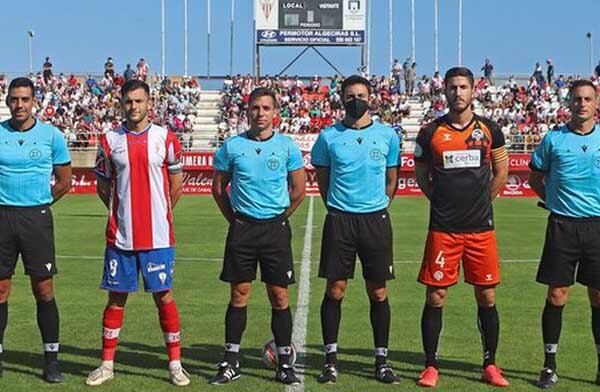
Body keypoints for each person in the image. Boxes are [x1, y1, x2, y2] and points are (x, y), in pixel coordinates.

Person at [86, 79, 189, 387]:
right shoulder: (109, 140)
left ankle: (175, 364)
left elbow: (176, 185)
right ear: (122, 104)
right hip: (121, 237)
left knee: (164, 296)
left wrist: (159, 212)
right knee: (116, 298)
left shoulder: (166, 138)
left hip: (158, 237)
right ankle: (107, 365)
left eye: (138, 101)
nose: (133, 107)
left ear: (149, 103)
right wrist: (121, 212)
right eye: (128, 101)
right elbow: (103, 187)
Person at [413, 67, 509, 388]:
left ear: (473, 90)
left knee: (487, 296)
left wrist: (483, 203)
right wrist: (441, 202)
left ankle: (490, 364)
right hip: (444, 228)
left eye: (463, 86)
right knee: (436, 296)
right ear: (444, 91)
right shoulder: (430, 133)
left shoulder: (490, 129)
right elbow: (421, 175)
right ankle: (430, 366)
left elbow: (500, 172)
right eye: (452, 87)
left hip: (481, 228)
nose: (458, 92)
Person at [211, 87, 306, 386]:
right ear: (247, 111)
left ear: (275, 112)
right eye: (255, 108)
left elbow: (298, 191)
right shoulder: (232, 146)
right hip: (243, 229)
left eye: (266, 108)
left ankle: (284, 362)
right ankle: (231, 360)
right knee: (239, 294)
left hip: (275, 230)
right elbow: (218, 189)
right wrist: (237, 220)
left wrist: (276, 219)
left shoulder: (288, 147)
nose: (260, 113)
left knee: (279, 296)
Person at [311, 75, 401, 384]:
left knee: (378, 291)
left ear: (371, 98)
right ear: (341, 99)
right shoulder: (327, 137)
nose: (355, 100)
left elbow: (391, 180)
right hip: (340, 220)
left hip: (375, 220)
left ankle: (381, 360)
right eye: (349, 96)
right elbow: (323, 180)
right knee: (335, 289)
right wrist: (340, 207)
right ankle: (330, 360)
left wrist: (376, 206)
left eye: (360, 95)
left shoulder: (388, 136)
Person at [528, 79, 600, 388]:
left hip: (598, 226)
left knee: (598, 297)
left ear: (596, 103)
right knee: (557, 295)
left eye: (587, 98)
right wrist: (555, 200)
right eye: (576, 99)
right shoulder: (553, 139)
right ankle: (549, 365)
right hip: (562, 226)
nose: (582, 103)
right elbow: (535, 177)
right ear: (568, 103)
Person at [0, 77, 72, 382]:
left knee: (43, 289)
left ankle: (51, 360)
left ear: (34, 102)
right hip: (2, 217)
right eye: (14, 99)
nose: (19, 105)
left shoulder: (51, 136)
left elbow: (65, 181)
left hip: (37, 219)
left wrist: (41, 203)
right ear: (7, 102)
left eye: (25, 99)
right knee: (1, 290)